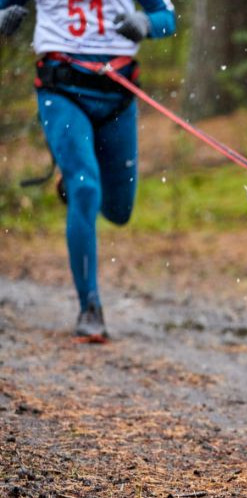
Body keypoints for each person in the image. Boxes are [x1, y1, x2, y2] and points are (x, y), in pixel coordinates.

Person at [0, 0, 176, 341]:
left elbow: (168, 19)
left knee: (119, 210)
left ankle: (77, 180)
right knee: (85, 187)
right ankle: (90, 308)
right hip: (61, 90)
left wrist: (146, 22)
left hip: (118, 95)